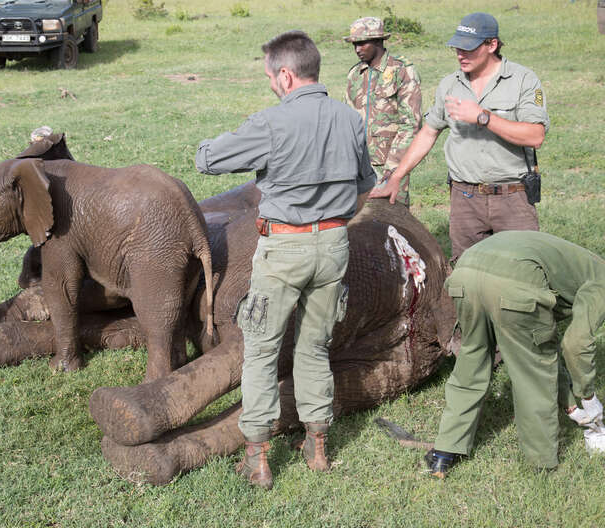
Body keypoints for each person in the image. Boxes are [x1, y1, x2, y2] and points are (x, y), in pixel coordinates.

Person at [195, 30, 375, 489]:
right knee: (315, 346)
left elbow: (208, 160)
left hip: (283, 249)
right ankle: (317, 447)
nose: (271, 84)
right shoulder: (350, 119)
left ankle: (257, 456)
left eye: (271, 77)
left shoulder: (271, 123)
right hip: (334, 244)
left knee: (260, 349)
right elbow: (364, 183)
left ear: (287, 75)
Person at [425, 231, 605, 478]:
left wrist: (570, 405)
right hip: (516, 283)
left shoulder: (583, 262)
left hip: (466, 272)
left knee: (472, 359)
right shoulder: (601, 281)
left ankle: (444, 452)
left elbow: (550, 343)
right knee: (533, 373)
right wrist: (588, 396)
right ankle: (542, 465)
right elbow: (575, 345)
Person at [374, 12, 549, 261]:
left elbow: (535, 136)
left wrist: (483, 116)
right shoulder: (450, 85)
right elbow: (429, 131)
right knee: (468, 276)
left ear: (492, 45)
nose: (460, 55)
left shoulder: (523, 80)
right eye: (457, 48)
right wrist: (397, 177)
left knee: (522, 271)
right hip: (465, 200)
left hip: (512, 199)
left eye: (468, 48)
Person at [343, 16, 422, 207]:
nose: (357, 49)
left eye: (362, 43)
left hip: (392, 166)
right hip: (359, 166)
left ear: (378, 41)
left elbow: (411, 124)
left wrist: (394, 167)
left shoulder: (401, 71)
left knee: (394, 219)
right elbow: (346, 121)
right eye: (354, 44)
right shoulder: (355, 74)